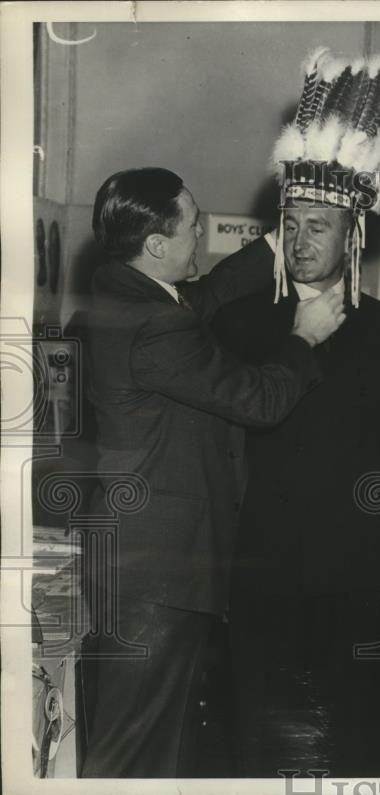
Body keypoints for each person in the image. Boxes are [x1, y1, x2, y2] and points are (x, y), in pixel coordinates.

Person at [210, 49, 380, 776]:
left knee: (345, 726)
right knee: (258, 726)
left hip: (351, 566)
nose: (305, 240)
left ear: (353, 234)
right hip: (258, 561)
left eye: (321, 225)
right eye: (294, 224)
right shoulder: (244, 320)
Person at [80, 167, 344, 777]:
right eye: (192, 225)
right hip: (157, 572)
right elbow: (258, 399)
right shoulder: (154, 326)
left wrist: (277, 243)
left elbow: (199, 301)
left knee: (158, 743)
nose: (201, 233)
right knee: (131, 750)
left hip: (145, 564)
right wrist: (302, 339)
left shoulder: (128, 293)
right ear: (156, 245)